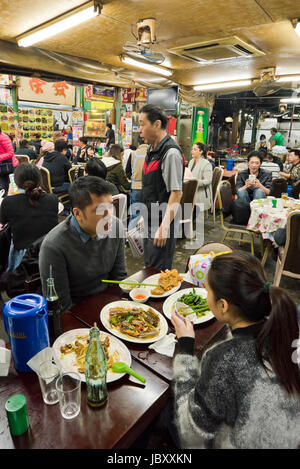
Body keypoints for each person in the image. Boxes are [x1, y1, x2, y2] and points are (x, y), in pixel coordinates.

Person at [171, 251, 300, 449]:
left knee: (166, 415)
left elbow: (192, 433)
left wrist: (186, 348)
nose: (206, 297)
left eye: (208, 292)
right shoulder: (287, 327)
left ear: (223, 305)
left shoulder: (223, 358)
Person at [39, 176, 127, 312]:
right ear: (78, 213)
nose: (109, 215)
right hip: (78, 313)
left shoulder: (116, 226)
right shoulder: (54, 246)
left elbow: (119, 278)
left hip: (109, 306)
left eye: (111, 205)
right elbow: (62, 307)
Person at [138, 104, 184, 271]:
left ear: (157, 124)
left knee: (159, 269)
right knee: (150, 264)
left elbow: (176, 193)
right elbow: (152, 187)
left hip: (163, 219)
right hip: (151, 216)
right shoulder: (151, 149)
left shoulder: (170, 152)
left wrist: (164, 227)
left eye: (143, 124)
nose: (139, 129)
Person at [0, 163, 58, 271]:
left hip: (22, 256)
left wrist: (10, 196)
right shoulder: (53, 199)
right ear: (39, 180)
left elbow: (3, 222)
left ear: (16, 182)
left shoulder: (9, 202)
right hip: (50, 251)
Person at [125, 139, 148, 231]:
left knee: (135, 214)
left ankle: (131, 237)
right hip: (149, 188)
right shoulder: (153, 154)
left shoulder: (133, 154)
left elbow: (127, 172)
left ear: (138, 143)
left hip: (136, 187)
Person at [188, 142, 212, 211]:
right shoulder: (191, 161)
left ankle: (190, 219)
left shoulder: (206, 164)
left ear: (201, 151)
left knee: (196, 217)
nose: (192, 151)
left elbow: (208, 180)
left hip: (200, 192)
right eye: (192, 149)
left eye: (195, 149)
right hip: (190, 190)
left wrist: (194, 182)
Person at [0, 127, 19, 195]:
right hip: (3, 166)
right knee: (4, 189)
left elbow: (10, 153)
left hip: (11, 166)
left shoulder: (3, 137)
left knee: (14, 189)